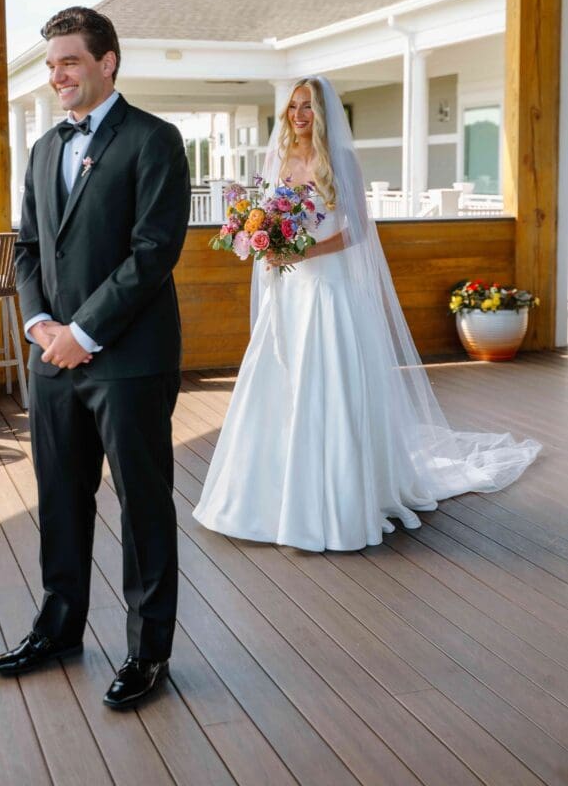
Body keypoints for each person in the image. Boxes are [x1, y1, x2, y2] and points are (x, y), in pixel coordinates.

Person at [193, 76, 541, 551]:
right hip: (288, 293)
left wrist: (304, 252)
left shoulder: (342, 162)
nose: (299, 115)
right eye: (294, 106)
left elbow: (357, 231)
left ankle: (334, 504)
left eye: (308, 107)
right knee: (276, 381)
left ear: (324, 114)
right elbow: (267, 218)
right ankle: (265, 501)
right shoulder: (277, 160)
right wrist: (265, 241)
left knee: (328, 385)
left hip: (326, 290)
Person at [0, 7, 191, 709]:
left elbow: (154, 251)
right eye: (50, 65)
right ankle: (58, 628)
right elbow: (27, 249)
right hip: (53, 360)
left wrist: (86, 331)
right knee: (61, 499)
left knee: (142, 507)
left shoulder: (155, 141)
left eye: (68, 62)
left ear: (108, 62)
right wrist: (42, 323)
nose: (57, 76)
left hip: (129, 360)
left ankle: (147, 652)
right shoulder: (44, 150)